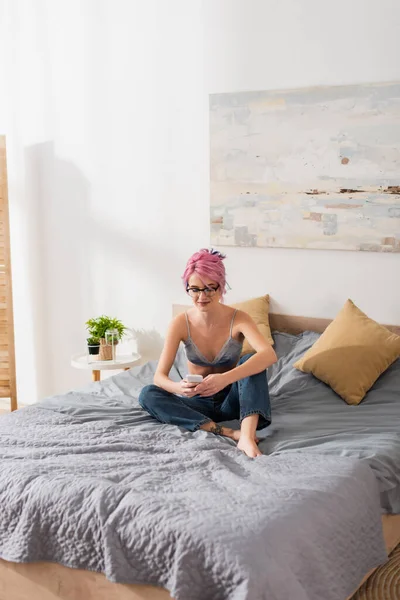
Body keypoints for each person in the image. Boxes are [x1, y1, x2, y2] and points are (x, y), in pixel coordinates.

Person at [139, 248, 277, 458]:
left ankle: (247, 438)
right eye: (194, 289)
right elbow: (159, 377)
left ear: (221, 288)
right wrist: (179, 388)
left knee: (252, 361)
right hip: (197, 402)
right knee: (148, 394)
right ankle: (230, 432)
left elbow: (269, 355)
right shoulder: (180, 323)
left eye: (209, 289)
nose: (201, 296)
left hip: (232, 399)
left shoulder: (239, 318)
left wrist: (224, 379)